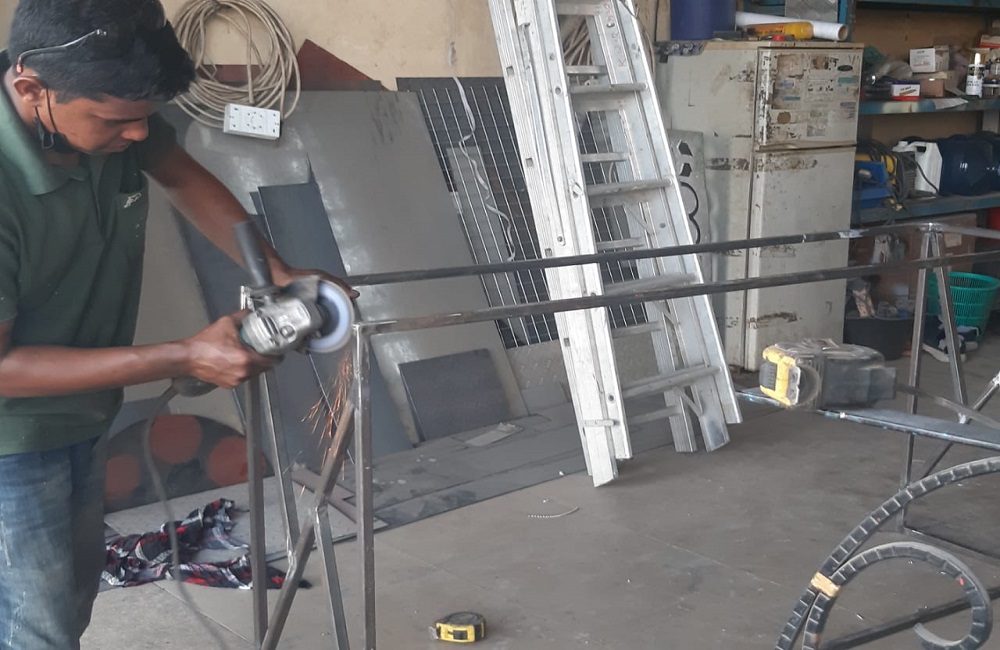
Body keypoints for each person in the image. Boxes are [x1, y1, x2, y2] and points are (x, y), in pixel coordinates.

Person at [0, 0, 355, 647]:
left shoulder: (101, 111)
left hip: (81, 414)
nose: (139, 135)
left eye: (146, 117)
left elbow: (183, 178)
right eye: (117, 121)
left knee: (67, 608)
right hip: (10, 441)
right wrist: (184, 356)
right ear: (30, 90)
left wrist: (277, 272)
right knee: (35, 629)